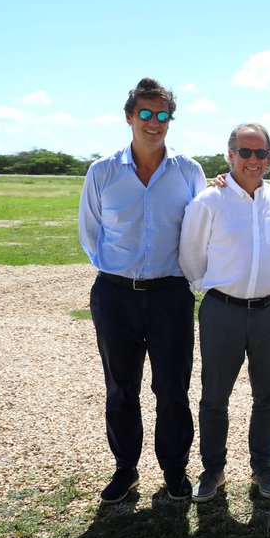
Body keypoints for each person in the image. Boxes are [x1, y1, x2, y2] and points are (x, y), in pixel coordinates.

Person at [79, 78, 206, 503]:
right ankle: (125, 469)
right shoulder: (102, 172)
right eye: (146, 114)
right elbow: (90, 234)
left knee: (172, 388)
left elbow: (201, 226)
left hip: (171, 294)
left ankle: (175, 471)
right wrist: (119, 273)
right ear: (129, 117)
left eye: (163, 115)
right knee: (121, 387)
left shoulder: (188, 171)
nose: (154, 122)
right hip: (115, 295)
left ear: (171, 119)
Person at [178, 124, 270, 502]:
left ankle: (262, 467)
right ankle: (213, 470)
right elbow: (190, 254)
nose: (253, 160)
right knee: (214, 397)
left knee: (269, 395)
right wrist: (210, 288)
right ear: (230, 155)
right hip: (223, 312)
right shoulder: (209, 200)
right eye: (245, 152)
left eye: (261, 153)